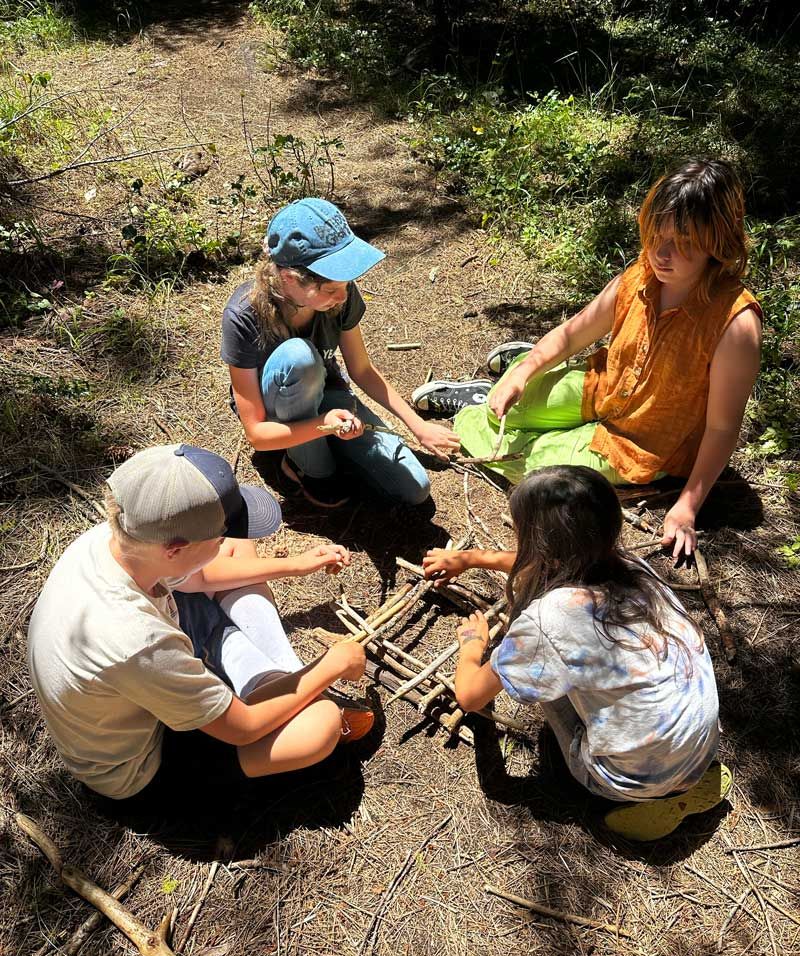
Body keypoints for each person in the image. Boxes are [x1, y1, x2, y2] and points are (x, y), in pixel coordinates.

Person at [412, 159, 762, 559]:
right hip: (603, 388)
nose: (661, 254)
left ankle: (486, 412)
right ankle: (501, 382)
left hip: (639, 443)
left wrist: (687, 506)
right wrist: (525, 371)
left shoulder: (735, 324)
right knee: (513, 395)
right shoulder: (641, 276)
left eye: (683, 243)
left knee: (539, 471)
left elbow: (721, 428)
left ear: (716, 242)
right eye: (655, 235)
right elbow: (572, 333)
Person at [27, 443, 373, 809]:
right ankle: (277, 684)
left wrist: (296, 565)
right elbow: (245, 726)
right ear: (174, 550)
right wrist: (330, 667)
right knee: (322, 723)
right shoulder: (136, 639)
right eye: (219, 536)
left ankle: (272, 677)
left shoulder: (115, 542)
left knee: (241, 552)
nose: (228, 541)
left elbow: (201, 574)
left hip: (141, 686)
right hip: (144, 768)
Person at [423, 465, 731, 842]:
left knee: (542, 663)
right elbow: (544, 563)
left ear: (539, 543)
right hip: (700, 750)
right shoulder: (634, 570)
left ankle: (646, 798)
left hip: (625, 780)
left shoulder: (551, 620)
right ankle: (681, 784)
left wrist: (472, 646)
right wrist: (472, 558)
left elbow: (469, 697)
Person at [220, 197, 460, 509]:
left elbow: (361, 369)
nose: (342, 296)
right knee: (298, 356)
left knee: (414, 489)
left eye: (346, 285)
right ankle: (309, 469)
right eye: (331, 290)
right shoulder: (243, 317)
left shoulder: (339, 295)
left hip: (323, 391)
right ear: (290, 279)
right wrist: (323, 424)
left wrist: (418, 426)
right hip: (274, 409)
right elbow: (257, 433)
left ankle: (323, 445)